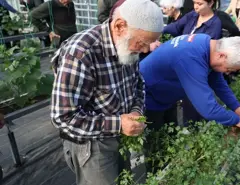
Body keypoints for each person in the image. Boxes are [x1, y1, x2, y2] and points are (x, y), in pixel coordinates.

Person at [50, 0, 164, 184]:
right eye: (142, 43)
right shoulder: (81, 54)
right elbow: (63, 117)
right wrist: (118, 124)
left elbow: (138, 86)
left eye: (149, 44)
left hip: (119, 137)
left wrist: (136, 111)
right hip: (92, 144)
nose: (144, 50)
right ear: (120, 26)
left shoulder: (127, 45)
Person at [140, 33, 240, 172]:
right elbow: (208, 108)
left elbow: (217, 82)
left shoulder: (208, 46)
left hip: (165, 94)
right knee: (155, 147)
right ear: (222, 56)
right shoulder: (191, 57)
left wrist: (237, 107)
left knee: (170, 138)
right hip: (147, 96)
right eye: (229, 69)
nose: (228, 73)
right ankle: (157, 177)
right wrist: (235, 120)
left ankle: (170, 170)